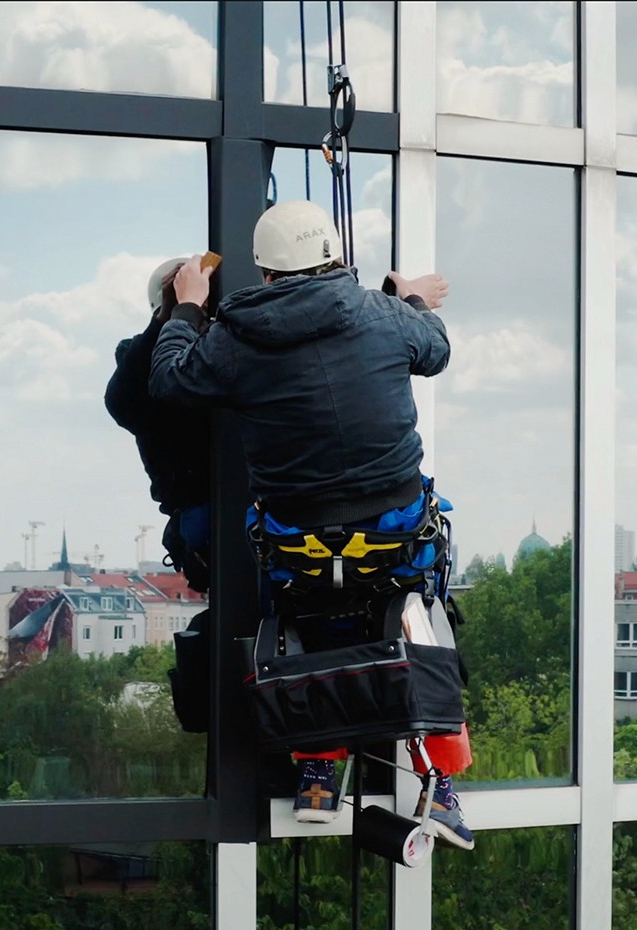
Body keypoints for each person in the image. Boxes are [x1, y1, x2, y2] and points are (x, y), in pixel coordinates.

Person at [148, 199, 474, 849]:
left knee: (302, 614)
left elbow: (169, 379)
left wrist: (187, 304)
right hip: (397, 538)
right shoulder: (381, 315)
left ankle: (320, 768)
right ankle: (441, 781)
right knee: (421, 612)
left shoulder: (234, 342)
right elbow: (433, 350)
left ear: (265, 274)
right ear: (335, 258)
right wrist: (406, 298)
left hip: (301, 553)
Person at [104, 257, 215, 592]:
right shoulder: (140, 362)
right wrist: (173, 315)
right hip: (204, 513)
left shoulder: (224, 348)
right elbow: (125, 404)